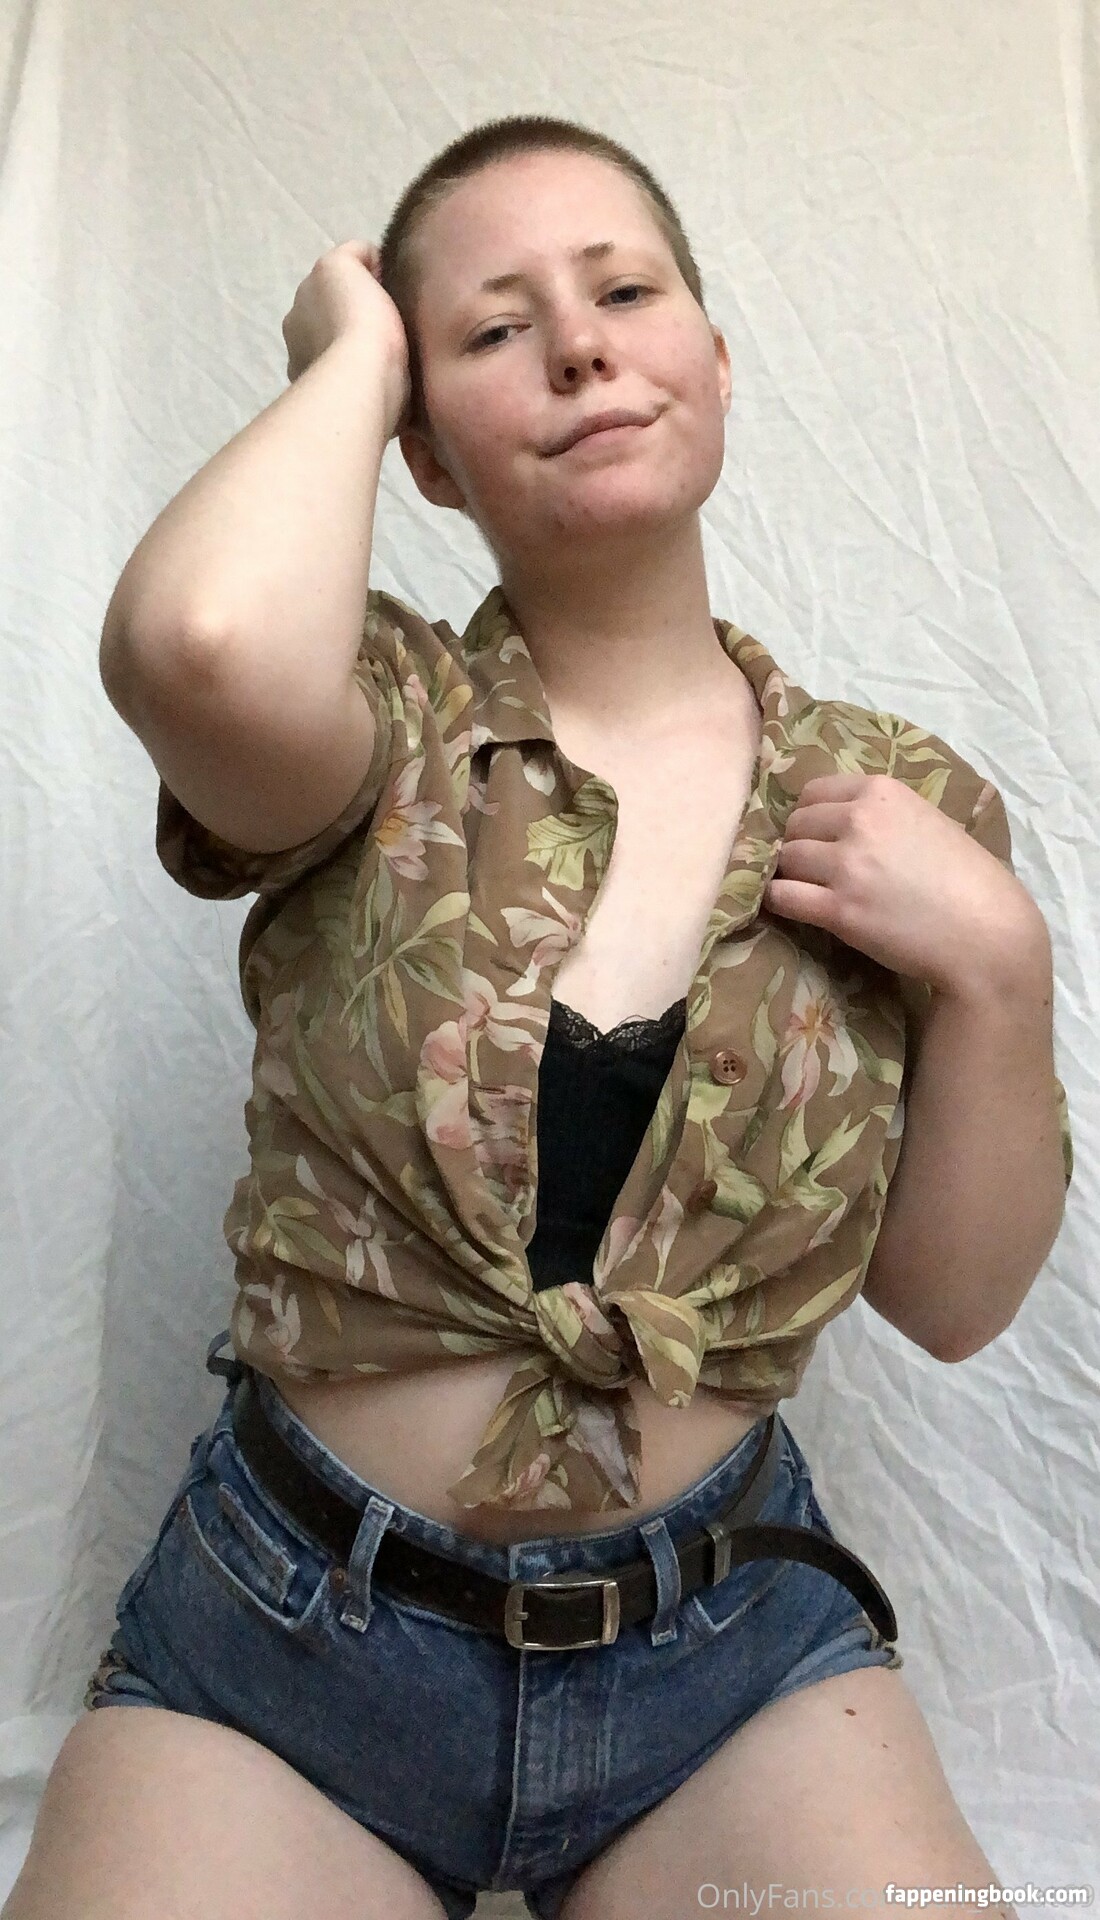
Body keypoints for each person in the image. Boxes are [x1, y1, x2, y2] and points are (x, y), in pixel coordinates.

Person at [5, 115, 1072, 1920]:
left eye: (626, 293)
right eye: (496, 329)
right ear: (420, 449)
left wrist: (1001, 964)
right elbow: (196, 645)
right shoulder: (379, 721)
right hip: (290, 1662)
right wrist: (350, 352)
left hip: (732, 1671)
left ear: (713, 361)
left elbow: (956, 1303)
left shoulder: (899, 803)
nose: (579, 345)